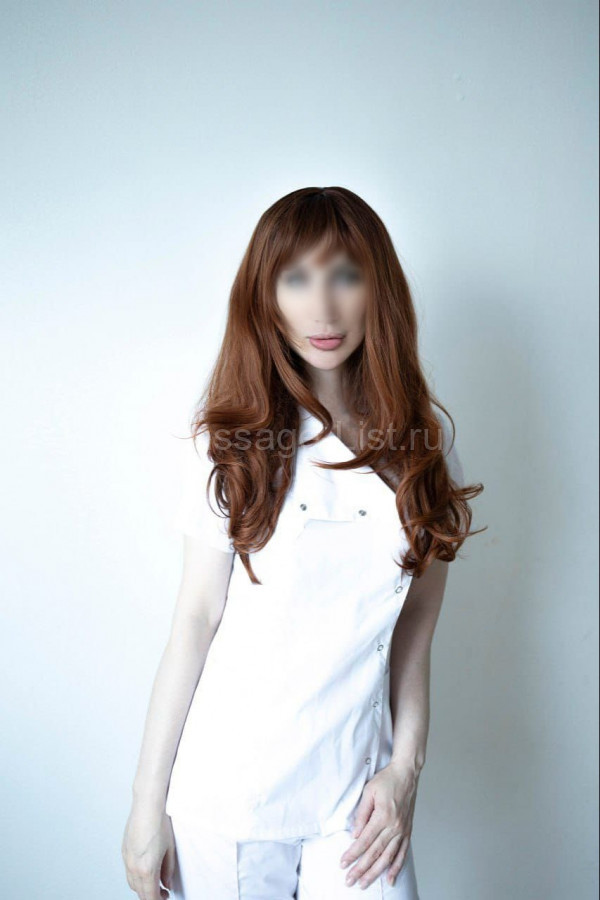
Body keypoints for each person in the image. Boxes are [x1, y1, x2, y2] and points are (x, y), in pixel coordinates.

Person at [121, 186, 484, 899]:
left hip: (357, 795)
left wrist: (405, 770)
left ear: (378, 287)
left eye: (345, 275)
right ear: (266, 295)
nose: (323, 308)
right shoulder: (230, 442)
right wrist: (144, 806)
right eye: (296, 278)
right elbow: (195, 621)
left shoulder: (423, 445)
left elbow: (416, 625)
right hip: (230, 796)